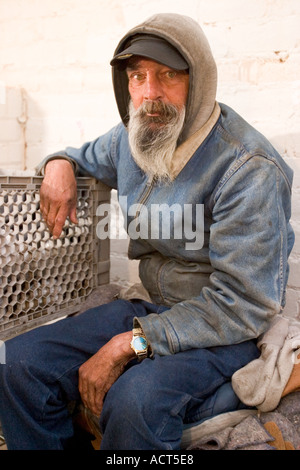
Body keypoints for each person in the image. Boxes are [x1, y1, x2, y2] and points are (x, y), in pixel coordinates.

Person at [0, 13, 295, 450]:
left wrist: (129, 344)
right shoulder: (133, 135)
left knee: (135, 400)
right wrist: (58, 164)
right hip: (154, 306)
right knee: (15, 363)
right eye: (138, 76)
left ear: (200, 81)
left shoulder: (248, 168)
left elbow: (245, 304)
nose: (149, 93)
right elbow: (80, 157)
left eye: (168, 75)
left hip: (225, 327)